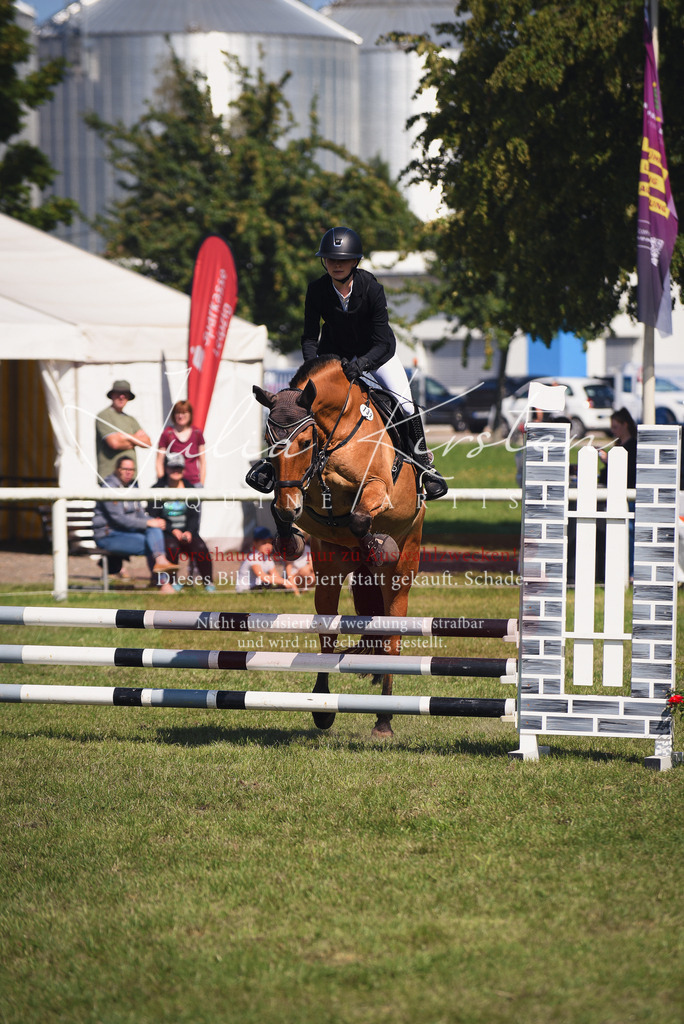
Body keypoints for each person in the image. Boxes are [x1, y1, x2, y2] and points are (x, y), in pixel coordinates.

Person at [300, 226, 448, 500]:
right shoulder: (317, 290)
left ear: (355, 261)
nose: (336, 264)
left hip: (377, 355)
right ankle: (287, 465)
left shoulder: (372, 289)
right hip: (336, 357)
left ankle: (424, 466)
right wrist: (314, 371)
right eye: (331, 259)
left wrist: (363, 364)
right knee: (307, 402)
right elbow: (309, 337)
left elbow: (381, 342)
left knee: (405, 404)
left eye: (343, 260)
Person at [92, 455, 177, 592]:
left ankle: (160, 571)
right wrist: (149, 523)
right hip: (108, 535)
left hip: (127, 532)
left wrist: (151, 521)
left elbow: (139, 513)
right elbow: (119, 519)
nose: (128, 472)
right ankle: (163, 584)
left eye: (131, 469)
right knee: (153, 543)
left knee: (154, 532)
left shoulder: (134, 485)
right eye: (125, 469)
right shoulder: (109, 486)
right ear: (117, 469)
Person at [151, 453, 215, 592]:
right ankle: (173, 582)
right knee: (172, 547)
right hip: (166, 533)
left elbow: (194, 515)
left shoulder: (190, 488)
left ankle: (208, 582)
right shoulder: (157, 489)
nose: (176, 471)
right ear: (166, 468)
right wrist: (172, 530)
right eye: (172, 467)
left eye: (179, 468)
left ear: (184, 469)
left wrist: (190, 532)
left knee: (200, 547)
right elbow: (153, 516)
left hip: (188, 532)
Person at [598, 407, 638, 580]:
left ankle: (630, 573)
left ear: (625, 425)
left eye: (615, 426)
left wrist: (608, 460)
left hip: (629, 495)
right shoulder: (620, 445)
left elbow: (628, 472)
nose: (612, 430)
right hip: (618, 494)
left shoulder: (633, 446)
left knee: (630, 535)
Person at [95, 379, 151, 482]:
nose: (121, 397)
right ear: (112, 395)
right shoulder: (104, 416)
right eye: (118, 394)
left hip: (131, 479)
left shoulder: (131, 420)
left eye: (125, 394)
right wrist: (135, 441)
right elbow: (114, 443)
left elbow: (147, 443)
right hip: (110, 477)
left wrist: (126, 436)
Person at [156, 400, 206, 486]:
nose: (180, 416)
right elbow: (159, 461)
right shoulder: (167, 434)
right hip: (173, 484)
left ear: (190, 414)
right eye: (178, 413)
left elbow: (203, 461)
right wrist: (162, 482)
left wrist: (201, 482)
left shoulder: (197, 433)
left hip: (194, 482)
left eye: (184, 413)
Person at [235, 526, 297, 593]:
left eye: (270, 543)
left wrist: (288, 584)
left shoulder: (267, 559)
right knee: (272, 588)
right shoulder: (253, 557)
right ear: (255, 543)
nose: (268, 546)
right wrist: (284, 582)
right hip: (246, 590)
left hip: (258, 587)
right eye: (264, 543)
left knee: (280, 588)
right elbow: (263, 576)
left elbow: (275, 576)